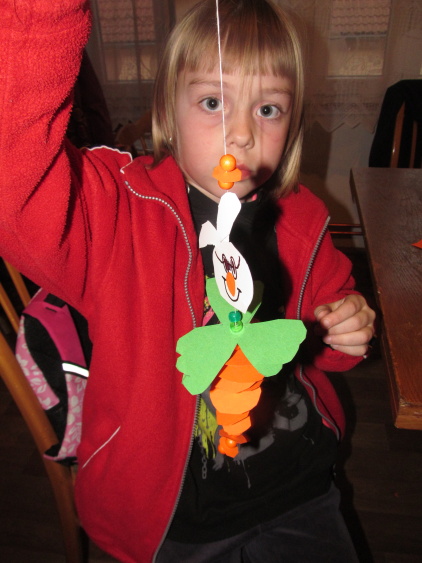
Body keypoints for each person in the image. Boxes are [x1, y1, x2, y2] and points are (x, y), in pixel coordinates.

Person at [0, 0, 375, 561]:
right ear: (168, 112)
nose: (241, 134)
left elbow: (326, 337)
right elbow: (14, 181)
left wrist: (346, 325)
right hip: (176, 517)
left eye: (268, 109)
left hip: (299, 486)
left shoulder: (302, 217)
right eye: (213, 102)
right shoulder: (118, 214)